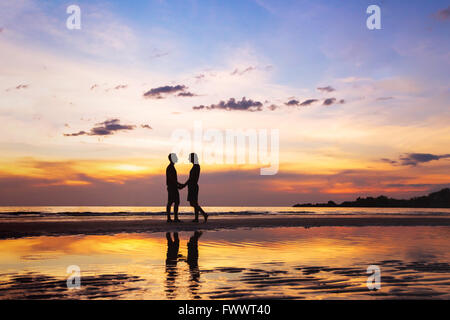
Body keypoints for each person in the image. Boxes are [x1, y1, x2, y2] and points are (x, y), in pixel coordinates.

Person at [180, 153, 208, 223]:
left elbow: (191, 178)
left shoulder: (196, 166)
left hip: (193, 186)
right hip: (192, 186)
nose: (189, 159)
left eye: (190, 158)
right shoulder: (195, 166)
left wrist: (184, 185)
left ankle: (203, 214)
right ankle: (198, 217)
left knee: (193, 203)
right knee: (194, 203)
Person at [166, 153, 183, 223]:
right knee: (173, 202)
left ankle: (171, 218)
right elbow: (172, 179)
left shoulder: (171, 167)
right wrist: (179, 185)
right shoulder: (170, 167)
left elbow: (173, 179)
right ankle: (171, 218)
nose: (177, 159)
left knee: (174, 202)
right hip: (172, 187)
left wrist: (178, 185)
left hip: (173, 187)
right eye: (175, 157)